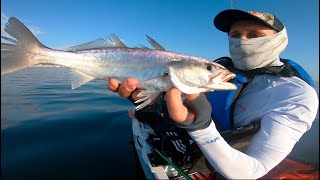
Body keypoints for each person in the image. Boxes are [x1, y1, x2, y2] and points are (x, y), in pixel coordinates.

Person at [108, 9, 319, 179]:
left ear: (279, 40)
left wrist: (201, 128)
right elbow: (180, 106)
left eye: (255, 35)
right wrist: (149, 98)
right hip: (192, 147)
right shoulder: (220, 71)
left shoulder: (296, 94)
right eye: (235, 35)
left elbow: (252, 172)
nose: (242, 42)